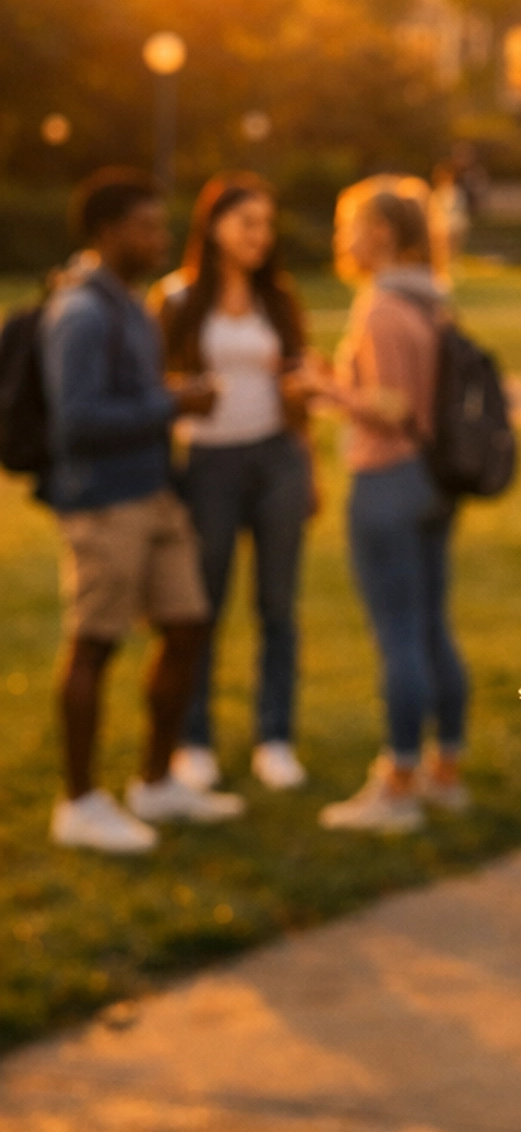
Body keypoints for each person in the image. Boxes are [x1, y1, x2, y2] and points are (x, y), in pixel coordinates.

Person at [42, 169, 247, 853]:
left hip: (154, 492)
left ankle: (155, 781)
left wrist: (170, 393)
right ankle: (79, 801)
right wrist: (175, 404)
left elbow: (124, 392)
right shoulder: (82, 311)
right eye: (147, 226)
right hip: (104, 500)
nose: (161, 237)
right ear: (107, 232)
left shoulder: (128, 302)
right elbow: (76, 419)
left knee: (187, 625)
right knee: (94, 644)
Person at [312, 176, 469, 834]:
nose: (344, 237)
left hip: (386, 480)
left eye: (351, 223)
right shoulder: (432, 298)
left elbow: (392, 406)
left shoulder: (379, 304)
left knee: (398, 636)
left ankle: (398, 784)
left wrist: (322, 386)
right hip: (433, 483)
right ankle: (446, 774)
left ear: (378, 234)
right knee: (432, 625)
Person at [154, 172, 312, 793]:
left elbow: (299, 390)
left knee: (277, 606)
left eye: (267, 224)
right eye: (248, 222)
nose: (260, 235)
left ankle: (275, 738)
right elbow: (153, 388)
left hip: (277, 459)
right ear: (213, 225)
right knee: (203, 606)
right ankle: (193, 740)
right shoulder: (176, 299)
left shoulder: (280, 298)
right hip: (209, 465)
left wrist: (310, 465)